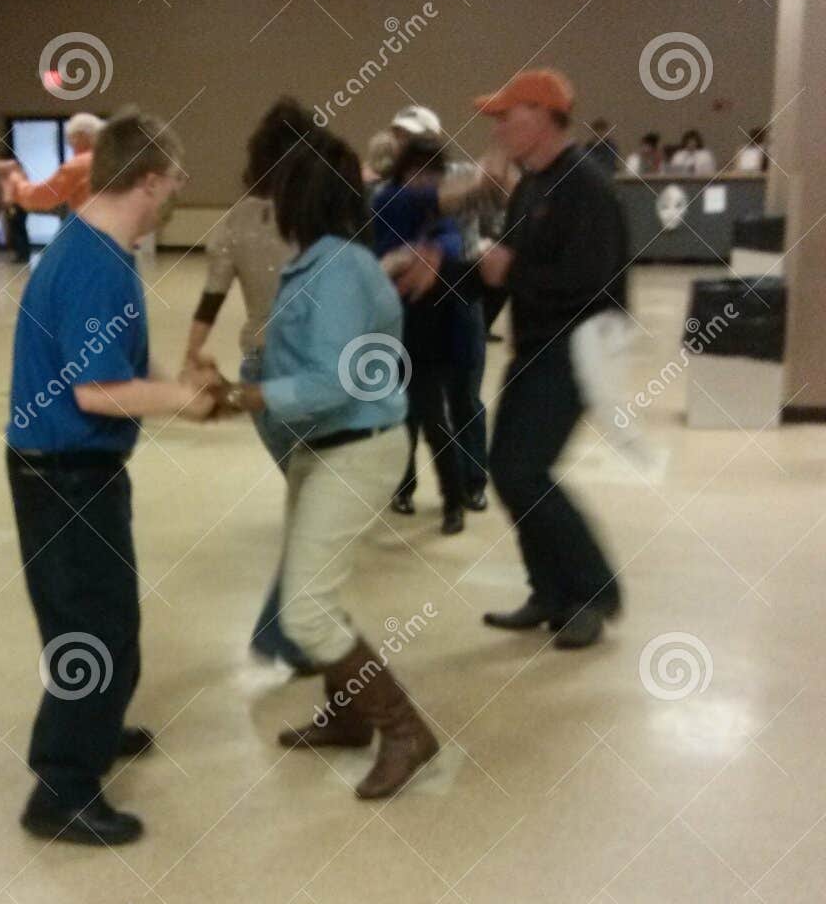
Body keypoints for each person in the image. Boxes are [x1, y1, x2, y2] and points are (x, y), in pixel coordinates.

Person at [7, 109, 216, 848]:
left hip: (83, 468)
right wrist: (182, 401)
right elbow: (95, 391)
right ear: (150, 180)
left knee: (111, 613)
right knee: (89, 625)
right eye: (174, 183)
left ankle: (97, 727)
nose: (173, 197)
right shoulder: (95, 264)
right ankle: (60, 787)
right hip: (62, 471)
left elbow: (123, 371)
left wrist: (176, 390)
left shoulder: (106, 249)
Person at [215, 127, 439, 800]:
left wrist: (248, 394)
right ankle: (349, 716)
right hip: (325, 447)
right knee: (317, 595)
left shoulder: (338, 268)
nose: (266, 204)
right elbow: (295, 360)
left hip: (357, 449)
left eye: (274, 190)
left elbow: (335, 381)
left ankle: (406, 731)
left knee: (305, 609)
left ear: (298, 195)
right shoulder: (316, 262)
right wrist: (237, 376)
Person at [475, 68, 627, 650]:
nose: (497, 128)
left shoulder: (587, 187)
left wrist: (511, 271)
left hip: (580, 351)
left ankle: (593, 592)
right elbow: (503, 272)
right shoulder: (530, 186)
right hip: (536, 346)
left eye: (505, 116)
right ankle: (549, 591)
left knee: (522, 470)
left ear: (541, 115)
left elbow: (592, 281)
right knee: (510, 470)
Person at [182, 98, 312, 671]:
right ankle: (282, 630)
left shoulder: (235, 221)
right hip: (305, 374)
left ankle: (288, 629)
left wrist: (193, 350)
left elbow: (212, 292)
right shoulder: (316, 220)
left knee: (311, 498)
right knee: (317, 502)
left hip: (260, 374)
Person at [369, 133, 477, 533]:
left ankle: (453, 499)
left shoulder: (438, 209)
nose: (428, 181)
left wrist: (433, 252)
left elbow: (452, 239)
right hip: (393, 327)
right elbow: (381, 247)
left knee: (433, 417)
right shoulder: (389, 201)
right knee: (397, 419)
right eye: (420, 172)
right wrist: (412, 253)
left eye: (434, 174)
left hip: (433, 327)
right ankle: (403, 487)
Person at [0, 112, 102, 221]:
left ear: (79, 136)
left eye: (71, 139)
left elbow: (40, 198)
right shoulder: (111, 162)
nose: (71, 144)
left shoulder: (79, 166)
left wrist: (16, 179)